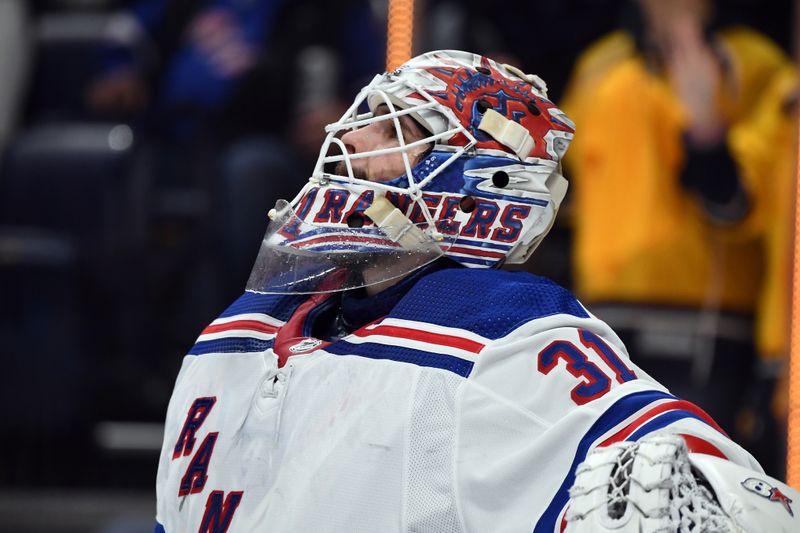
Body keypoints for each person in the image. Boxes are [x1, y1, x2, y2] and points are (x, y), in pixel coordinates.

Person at [154, 50, 799, 532]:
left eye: (395, 130)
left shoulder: (496, 330)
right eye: (363, 118)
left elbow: (713, 496)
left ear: (478, 188)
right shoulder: (236, 330)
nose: (348, 138)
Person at [559, 0, 797, 474]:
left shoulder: (754, 64)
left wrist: (706, 132)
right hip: (602, 317)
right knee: (596, 486)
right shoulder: (600, 64)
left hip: (709, 327)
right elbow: (565, 187)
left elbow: (748, 202)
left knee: (699, 487)